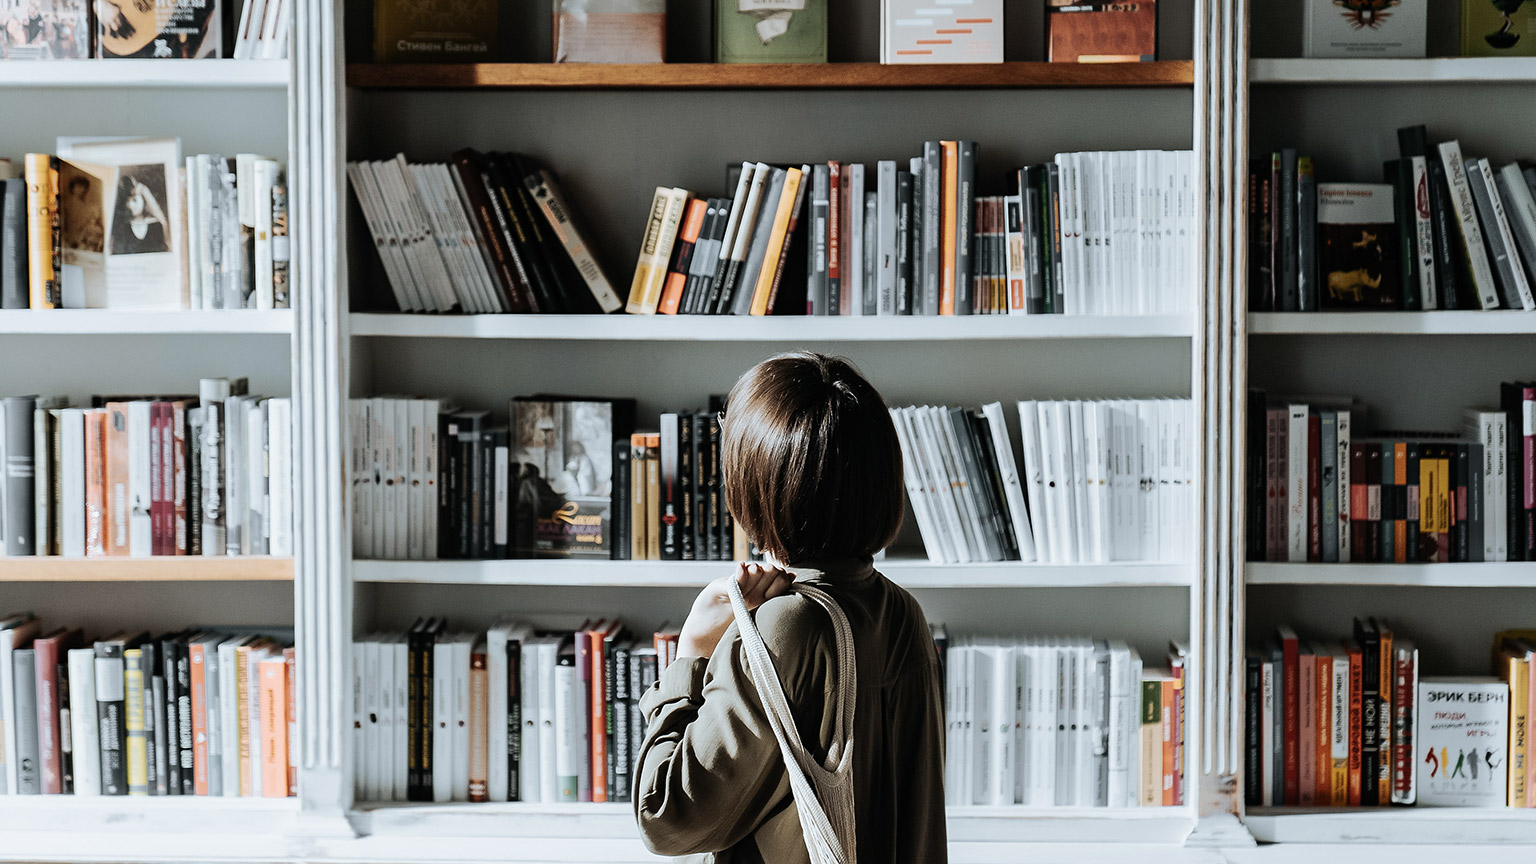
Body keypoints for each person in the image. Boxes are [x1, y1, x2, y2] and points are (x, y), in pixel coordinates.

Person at [633, 351, 947, 863]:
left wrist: (691, 653)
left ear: (755, 481)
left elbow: (666, 819)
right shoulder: (902, 612)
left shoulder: (782, 627)